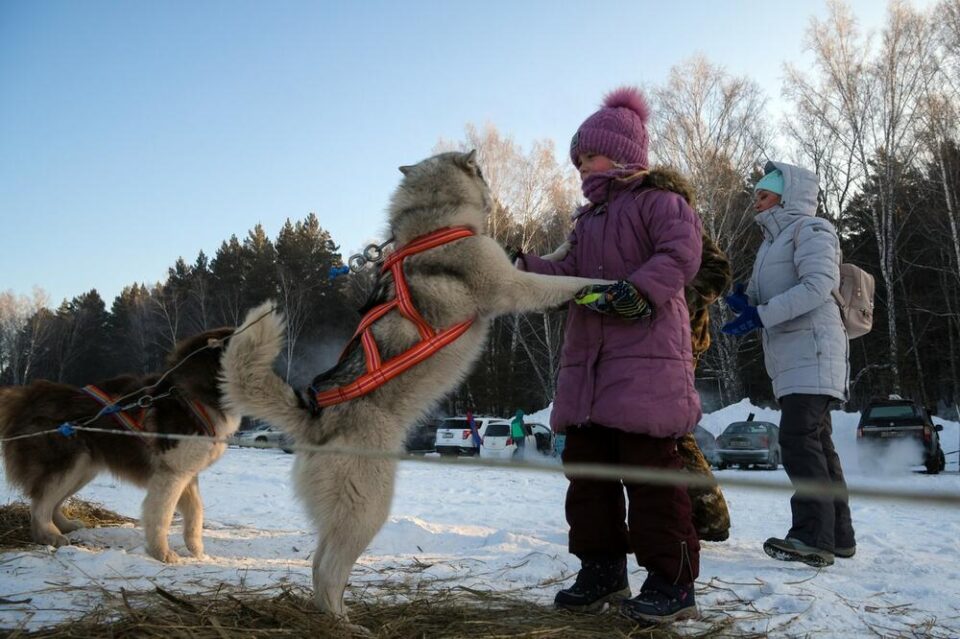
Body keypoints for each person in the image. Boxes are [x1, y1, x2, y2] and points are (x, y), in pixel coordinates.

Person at [516, 86, 702, 624]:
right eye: (576, 161)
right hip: (588, 375)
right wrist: (518, 268)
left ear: (621, 152)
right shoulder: (587, 222)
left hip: (646, 367)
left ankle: (673, 581)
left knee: (651, 479)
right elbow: (563, 275)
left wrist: (637, 290)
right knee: (589, 477)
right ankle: (602, 570)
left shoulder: (660, 202)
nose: (580, 168)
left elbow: (681, 254)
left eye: (587, 157)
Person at [721, 161, 855, 568]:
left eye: (763, 195)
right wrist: (747, 301)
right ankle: (839, 537)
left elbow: (817, 287)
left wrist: (760, 315)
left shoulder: (812, 230)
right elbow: (771, 295)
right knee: (818, 444)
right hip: (794, 357)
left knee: (799, 441)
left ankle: (812, 536)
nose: (756, 204)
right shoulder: (770, 245)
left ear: (788, 196)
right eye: (756, 196)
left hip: (814, 351)